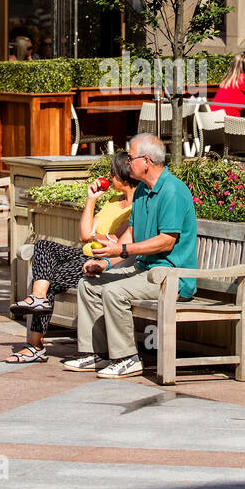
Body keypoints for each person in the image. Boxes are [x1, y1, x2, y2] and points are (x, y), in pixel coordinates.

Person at [65, 133, 198, 380]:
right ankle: (96, 353)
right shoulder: (141, 192)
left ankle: (128, 358)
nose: (127, 163)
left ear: (146, 161)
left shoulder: (173, 191)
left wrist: (122, 251)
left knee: (115, 292)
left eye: (130, 158)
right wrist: (104, 263)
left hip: (171, 275)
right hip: (144, 270)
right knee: (90, 284)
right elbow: (130, 236)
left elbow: (166, 241)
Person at [3, 152, 139, 364]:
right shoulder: (113, 201)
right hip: (85, 253)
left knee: (49, 279)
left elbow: (116, 241)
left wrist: (99, 237)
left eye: (112, 173)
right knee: (43, 246)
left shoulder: (137, 207)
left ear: (124, 175)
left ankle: (34, 345)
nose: (110, 176)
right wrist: (91, 199)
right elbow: (84, 234)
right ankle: (38, 299)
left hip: (103, 262)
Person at [210, 52, 245, 116]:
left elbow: (233, 97)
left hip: (212, 118)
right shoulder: (243, 78)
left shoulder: (227, 78)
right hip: (230, 120)